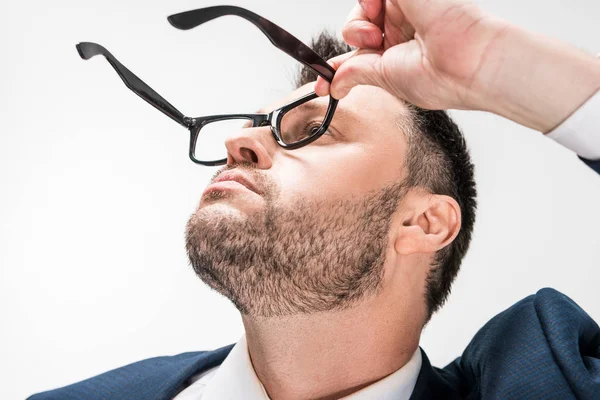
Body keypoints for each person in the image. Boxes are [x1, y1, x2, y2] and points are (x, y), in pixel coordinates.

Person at [29, 0, 600, 399]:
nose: (240, 142)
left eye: (314, 130)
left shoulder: (544, 374)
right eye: (259, 126)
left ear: (424, 222)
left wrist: (498, 65)